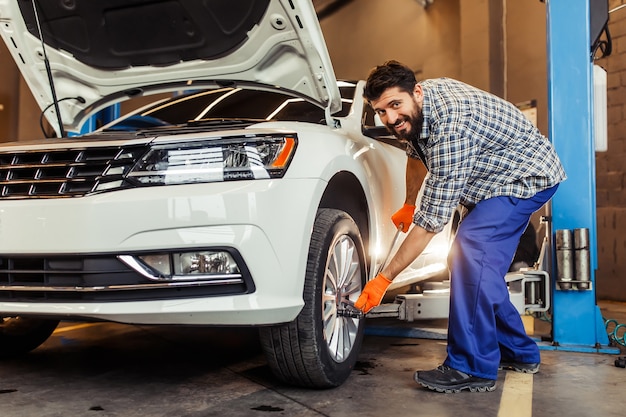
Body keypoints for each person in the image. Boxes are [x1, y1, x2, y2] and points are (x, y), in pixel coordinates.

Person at [355, 60, 566, 393]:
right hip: (492, 177)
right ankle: (520, 352)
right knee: (471, 266)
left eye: (395, 105)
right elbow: (414, 154)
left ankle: (471, 366)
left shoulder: (452, 128)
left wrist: (384, 279)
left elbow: (430, 224)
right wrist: (410, 203)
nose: (390, 119)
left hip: (525, 175)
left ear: (416, 93)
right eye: (381, 111)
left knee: (471, 250)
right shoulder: (420, 110)